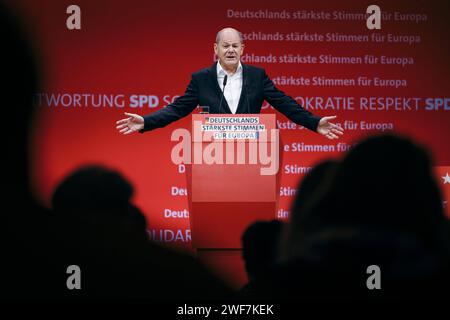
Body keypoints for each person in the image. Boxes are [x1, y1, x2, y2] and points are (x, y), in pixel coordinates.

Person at [116, 27, 344, 140]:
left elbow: (284, 103)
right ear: (216, 49)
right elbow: (178, 108)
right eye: (225, 46)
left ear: (243, 49)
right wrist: (146, 121)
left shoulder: (257, 76)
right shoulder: (201, 78)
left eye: (235, 46)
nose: (231, 50)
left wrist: (314, 123)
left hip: (252, 155)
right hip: (212, 154)